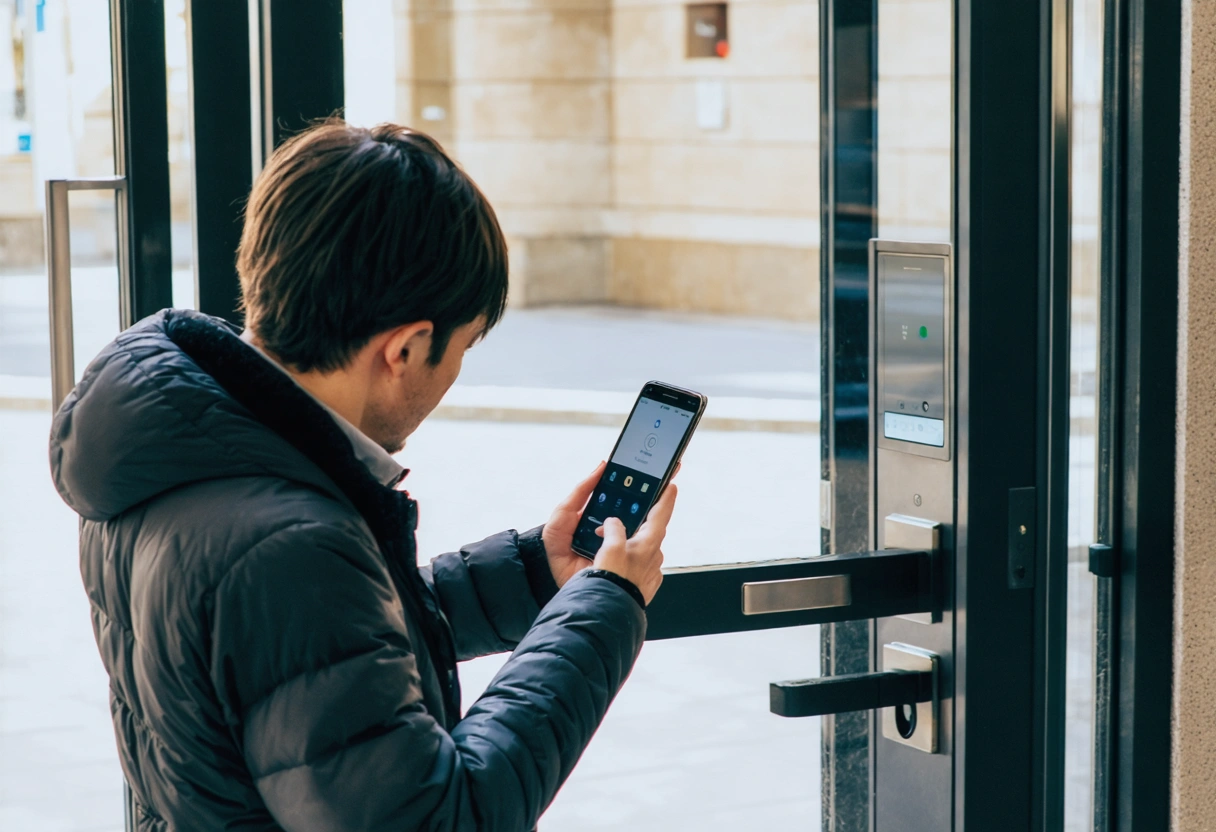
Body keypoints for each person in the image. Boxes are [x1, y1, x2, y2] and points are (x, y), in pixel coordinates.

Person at [48, 121, 674, 832]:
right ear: (405, 348)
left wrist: (533, 573)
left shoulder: (176, 448)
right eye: (462, 346)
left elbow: (315, 661)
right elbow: (436, 817)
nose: (456, 372)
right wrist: (604, 610)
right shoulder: (289, 545)